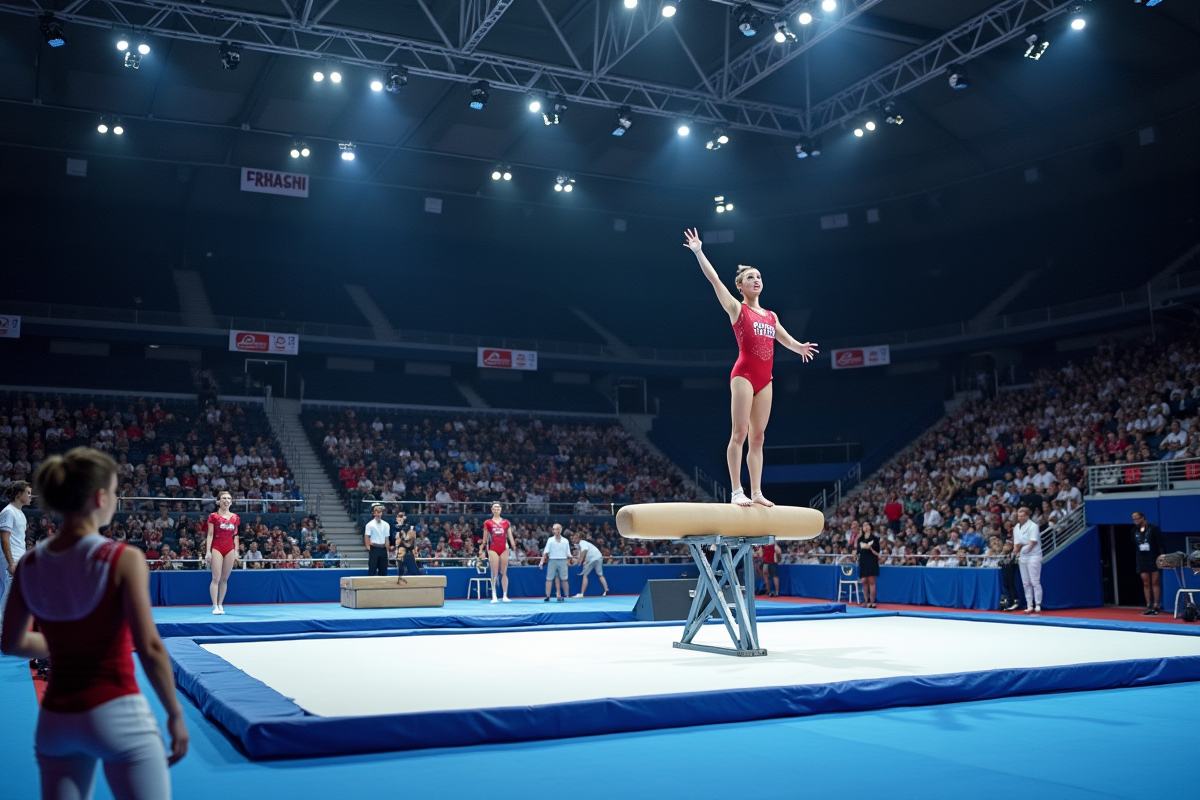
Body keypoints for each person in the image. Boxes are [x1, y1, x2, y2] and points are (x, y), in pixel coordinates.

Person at [0, 447, 188, 800]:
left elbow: (11, 643)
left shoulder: (30, 564)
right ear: (101, 497)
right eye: (116, 492)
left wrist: (64, 644)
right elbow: (149, 648)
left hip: (56, 719)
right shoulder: (122, 558)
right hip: (117, 713)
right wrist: (174, 713)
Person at [684, 228, 818, 506]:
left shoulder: (771, 315)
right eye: (749, 278)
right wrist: (698, 251)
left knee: (758, 438)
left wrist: (800, 347)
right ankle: (736, 491)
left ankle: (756, 492)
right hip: (743, 375)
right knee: (740, 433)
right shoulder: (736, 308)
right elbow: (714, 279)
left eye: (758, 276)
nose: (756, 280)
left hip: (765, 379)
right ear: (740, 287)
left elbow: (785, 338)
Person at [0, 480, 32, 625]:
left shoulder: (20, 514)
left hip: (19, 558)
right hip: (10, 559)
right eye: (28, 493)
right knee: (8, 593)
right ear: (19, 495)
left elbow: (19, 541)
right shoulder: (8, 512)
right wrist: (11, 563)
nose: (31, 497)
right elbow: (5, 539)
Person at [204, 491, 239, 615]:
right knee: (216, 578)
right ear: (218, 501)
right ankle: (214, 606)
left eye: (229, 498)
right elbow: (210, 534)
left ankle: (220, 604)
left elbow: (235, 535)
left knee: (224, 579)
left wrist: (237, 551)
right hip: (217, 547)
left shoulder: (235, 517)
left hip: (229, 548)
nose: (226, 500)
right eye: (224, 498)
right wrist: (208, 551)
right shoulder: (213, 516)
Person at [1131, 511, 1166, 615]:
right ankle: (1149, 605)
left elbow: (1160, 544)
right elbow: (1134, 544)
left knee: (1155, 582)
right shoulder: (1134, 531)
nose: (1135, 521)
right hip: (1142, 558)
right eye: (1133, 519)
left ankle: (1156, 605)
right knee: (1146, 583)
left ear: (1143, 517)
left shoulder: (1153, 529)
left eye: (1137, 518)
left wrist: (1162, 557)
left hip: (1153, 557)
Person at [483, 502, 517, 602]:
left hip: (504, 547)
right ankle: (494, 595)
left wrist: (513, 545)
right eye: (495, 507)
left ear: (501, 509)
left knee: (504, 572)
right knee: (494, 572)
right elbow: (485, 537)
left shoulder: (506, 522)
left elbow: (510, 535)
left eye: (498, 507)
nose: (497, 509)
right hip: (493, 548)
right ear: (492, 510)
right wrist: (482, 548)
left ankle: (505, 595)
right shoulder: (488, 522)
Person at [1013, 506, 1043, 614]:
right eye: (1018, 516)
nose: (1019, 518)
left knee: (1035, 581)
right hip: (1023, 557)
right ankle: (1029, 604)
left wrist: (1024, 548)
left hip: (1034, 555)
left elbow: (1033, 542)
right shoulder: (1016, 527)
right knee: (1026, 582)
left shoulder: (1033, 526)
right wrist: (1014, 552)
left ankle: (1038, 604)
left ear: (1027, 516)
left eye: (1021, 516)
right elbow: (1016, 543)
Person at [540, 523, 573, 602]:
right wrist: (541, 562)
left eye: (558, 529)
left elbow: (568, 553)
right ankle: (547, 596)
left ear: (561, 530)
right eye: (554, 529)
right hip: (552, 560)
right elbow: (545, 552)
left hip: (563, 560)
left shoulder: (565, 541)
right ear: (553, 531)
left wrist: (570, 560)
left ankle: (567, 596)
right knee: (549, 578)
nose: (556, 531)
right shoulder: (550, 540)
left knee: (564, 579)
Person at [571, 532, 609, 597]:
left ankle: (581, 594)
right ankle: (606, 590)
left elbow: (584, 551)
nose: (574, 539)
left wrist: (580, 562)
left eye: (576, 538)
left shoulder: (582, 542)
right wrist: (574, 564)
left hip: (593, 558)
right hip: (599, 557)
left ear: (579, 538)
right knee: (600, 574)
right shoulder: (582, 544)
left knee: (585, 575)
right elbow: (580, 555)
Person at [856, 522, 880, 608]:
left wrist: (870, 548)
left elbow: (877, 552)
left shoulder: (875, 538)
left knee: (871, 582)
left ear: (870, 527)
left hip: (871, 561)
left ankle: (872, 601)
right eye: (864, 525)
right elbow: (858, 551)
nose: (865, 527)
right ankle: (866, 601)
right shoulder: (860, 539)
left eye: (867, 525)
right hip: (863, 561)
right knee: (864, 581)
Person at [363, 503, 391, 577]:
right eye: (377, 512)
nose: (379, 514)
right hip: (374, 548)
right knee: (372, 570)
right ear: (374, 513)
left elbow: (387, 539)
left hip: (383, 548)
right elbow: (366, 537)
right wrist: (369, 548)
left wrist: (387, 551)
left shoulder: (386, 525)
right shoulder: (369, 524)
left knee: (383, 571)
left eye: (380, 512)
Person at [395, 511, 420, 577]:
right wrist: (401, 535)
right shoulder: (398, 531)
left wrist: (415, 552)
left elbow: (413, 543)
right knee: (401, 575)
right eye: (399, 517)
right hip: (401, 556)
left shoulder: (412, 531)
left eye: (402, 517)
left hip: (410, 555)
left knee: (414, 574)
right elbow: (397, 544)